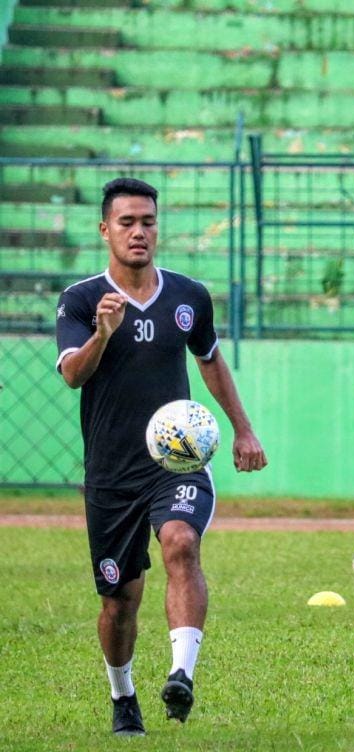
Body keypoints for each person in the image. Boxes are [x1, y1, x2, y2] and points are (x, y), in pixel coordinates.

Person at [55, 178, 267, 736]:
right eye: (126, 222)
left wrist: (244, 430)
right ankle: (123, 696)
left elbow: (211, 360)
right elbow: (74, 375)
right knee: (120, 602)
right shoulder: (80, 301)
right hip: (110, 475)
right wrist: (102, 333)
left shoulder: (188, 296)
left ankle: (181, 674)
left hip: (177, 462)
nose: (139, 232)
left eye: (148, 221)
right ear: (105, 230)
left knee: (181, 542)